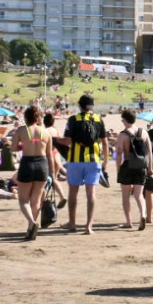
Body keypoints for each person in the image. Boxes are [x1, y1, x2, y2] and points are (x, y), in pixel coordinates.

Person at [57, 95, 110, 235]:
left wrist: (54, 140)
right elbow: (105, 142)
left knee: (73, 192)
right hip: (94, 161)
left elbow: (67, 141)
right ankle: (89, 226)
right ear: (92, 106)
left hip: (75, 161)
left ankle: (72, 223)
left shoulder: (73, 120)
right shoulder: (99, 120)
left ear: (80, 106)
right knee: (91, 193)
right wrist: (105, 161)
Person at [10, 105, 57, 241]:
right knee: (36, 199)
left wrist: (22, 145)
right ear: (37, 118)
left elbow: (13, 148)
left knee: (23, 199)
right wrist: (53, 173)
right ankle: (30, 229)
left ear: (26, 117)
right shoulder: (45, 133)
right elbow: (50, 155)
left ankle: (32, 222)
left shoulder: (21, 130)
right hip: (42, 165)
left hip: (28, 163)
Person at [115, 110, 152, 230]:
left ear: (125, 120)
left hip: (127, 165)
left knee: (125, 196)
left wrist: (118, 168)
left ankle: (128, 222)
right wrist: (150, 167)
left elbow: (119, 153)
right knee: (139, 195)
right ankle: (143, 215)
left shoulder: (123, 135)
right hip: (141, 166)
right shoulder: (144, 132)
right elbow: (149, 152)